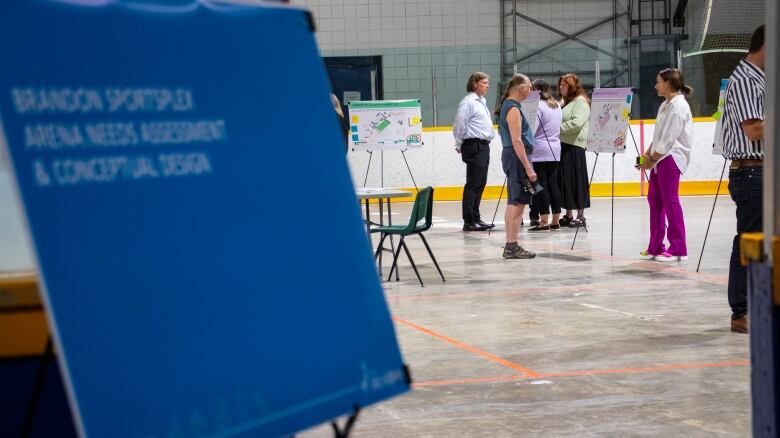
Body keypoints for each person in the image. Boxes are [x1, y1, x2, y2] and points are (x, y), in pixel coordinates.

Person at [722, 24, 765, 334]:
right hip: (752, 171)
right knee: (750, 242)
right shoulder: (747, 80)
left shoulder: (760, 79)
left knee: (763, 243)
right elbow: (755, 130)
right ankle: (742, 312)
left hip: (761, 170)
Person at [636, 68, 693, 262]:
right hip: (660, 158)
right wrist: (646, 156)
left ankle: (679, 249)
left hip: (671, 158)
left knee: (670, 201)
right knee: (655, 201)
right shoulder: (665, 105)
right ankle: (656, 246)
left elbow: (669, 139)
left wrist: (651, 160)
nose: (655, 85)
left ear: (668, 83)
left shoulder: (678, 106)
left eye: (658, 81)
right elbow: (658, 136)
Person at [495, 74, 537, 258]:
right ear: (521, 88)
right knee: (519, 202)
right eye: (529, 87)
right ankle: (512, 245)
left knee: (513, 200)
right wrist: (528, 168)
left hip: (511, 156)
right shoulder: (513, 109)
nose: (530, 91)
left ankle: (510, 244)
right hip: (517, 157)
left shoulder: (508, 106)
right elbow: (517, 141)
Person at [453, 72, 496, 232]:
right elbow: (459, 124)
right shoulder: (468, 102)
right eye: (484, 82)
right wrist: (459, 143)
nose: (487, 85)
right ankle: (469, 221)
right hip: (473, 145)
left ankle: (476, 218)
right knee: (473, 183)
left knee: (481, 182)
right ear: (475, 83)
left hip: (483, 145)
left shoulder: (481, 101)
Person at [528, 79, 563, 232]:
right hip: (555, 149)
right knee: (554, 185)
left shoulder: (538, 106)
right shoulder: (556, 105)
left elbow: (532, 130)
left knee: (541, 186)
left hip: (540, 150)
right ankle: (556, 220)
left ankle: (543, 221)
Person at [557, 74, 591, 228]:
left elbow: (576, 123)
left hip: (575, 146)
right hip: (564, 145)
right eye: (560, 85)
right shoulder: (565, 103)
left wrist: (555, 130)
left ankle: (581, 215)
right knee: (566, 181)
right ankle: (569, 214)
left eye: (564, 85)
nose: (560, 87)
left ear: (571, 86)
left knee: (577, 181)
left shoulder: (580, 102)